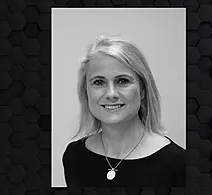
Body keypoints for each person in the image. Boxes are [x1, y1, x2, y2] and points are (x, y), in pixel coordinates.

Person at [62, 35, 186, 189]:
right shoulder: (74, 156)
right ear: (86, 92)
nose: (111, 94)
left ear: (143, 90)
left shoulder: (178, 163)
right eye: (99, 82)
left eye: (123, 81)